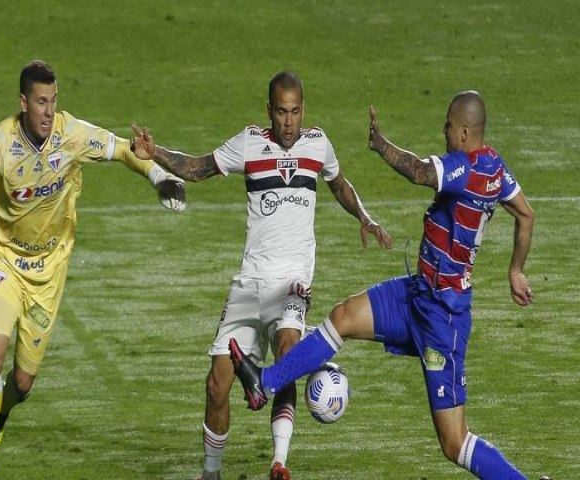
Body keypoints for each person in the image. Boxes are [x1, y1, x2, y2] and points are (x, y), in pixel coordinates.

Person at [230, 91, 537, 479]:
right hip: (416, 294)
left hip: (442, 318)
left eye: (446, 124)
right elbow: (526, 214)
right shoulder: (495, 166)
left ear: (463, 131)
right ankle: (265, 383)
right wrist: (515, 270)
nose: (442, 130)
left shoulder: (465, 168)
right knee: (342, 316)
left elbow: (420, 172)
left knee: (454, 443)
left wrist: (381, 145)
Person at [131, 71, 392, 480]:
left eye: (295, 112)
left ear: (302, 109)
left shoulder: (318, 144)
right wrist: (155, 152)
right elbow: (198, 168)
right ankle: (212, 473)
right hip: (249, 282)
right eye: (281, 112)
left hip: (293, 281)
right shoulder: (250, 143)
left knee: (288, 353)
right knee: (217, 384)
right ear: (268, 109)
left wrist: (365, 216)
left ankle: (278, 462)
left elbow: (339, 183)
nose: (289, 122)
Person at [0, 59, 186, 480]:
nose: (48, 111)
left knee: (22, 383)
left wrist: (157, 176)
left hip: (50, 272)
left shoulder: (71, 135)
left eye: (54, 101)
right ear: (23, 103)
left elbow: (121, 149)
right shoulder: (0, 144)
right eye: (41, 102)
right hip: (6, 263)